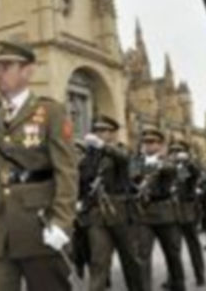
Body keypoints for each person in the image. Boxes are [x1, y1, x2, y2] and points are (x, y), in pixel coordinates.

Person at [0, 40, 79, 291]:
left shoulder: (50, 111)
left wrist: (62, 221)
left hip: (38, 224)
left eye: (6, 66)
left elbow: (67, 170)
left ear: (28, 70)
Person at [81, 117, 142, 291]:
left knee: (130, 259)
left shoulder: (121, 151)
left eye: (105, 131)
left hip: (119, 211)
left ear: (113, 133)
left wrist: (103, 147)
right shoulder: (90, 155)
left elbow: (124, 159)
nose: (101, 134)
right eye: (98, 131)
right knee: (98, 260)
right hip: (97, 213)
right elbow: (83, 178)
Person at [131, 126, 186, 291]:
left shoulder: (169, 160)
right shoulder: (137, 161)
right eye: (145, 142)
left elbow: (180, 175)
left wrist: (164, 162)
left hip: (165, 211)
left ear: (161, 144)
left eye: (152, 142)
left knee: (173, 253)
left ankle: (178, 284)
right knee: (142, 255)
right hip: (144, 213)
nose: (148, 145)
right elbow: (131, 177)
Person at [169, 141, 206, 287]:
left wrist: (187, 160)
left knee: (193, 245)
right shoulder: (169, 168)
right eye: (172, 151)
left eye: (178, 151)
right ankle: (172, 278)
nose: (175, 154)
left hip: (187, 210)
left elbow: (196, 173)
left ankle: (199, 275)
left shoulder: (187, 168)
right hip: (171, 211)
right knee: (172, 247)